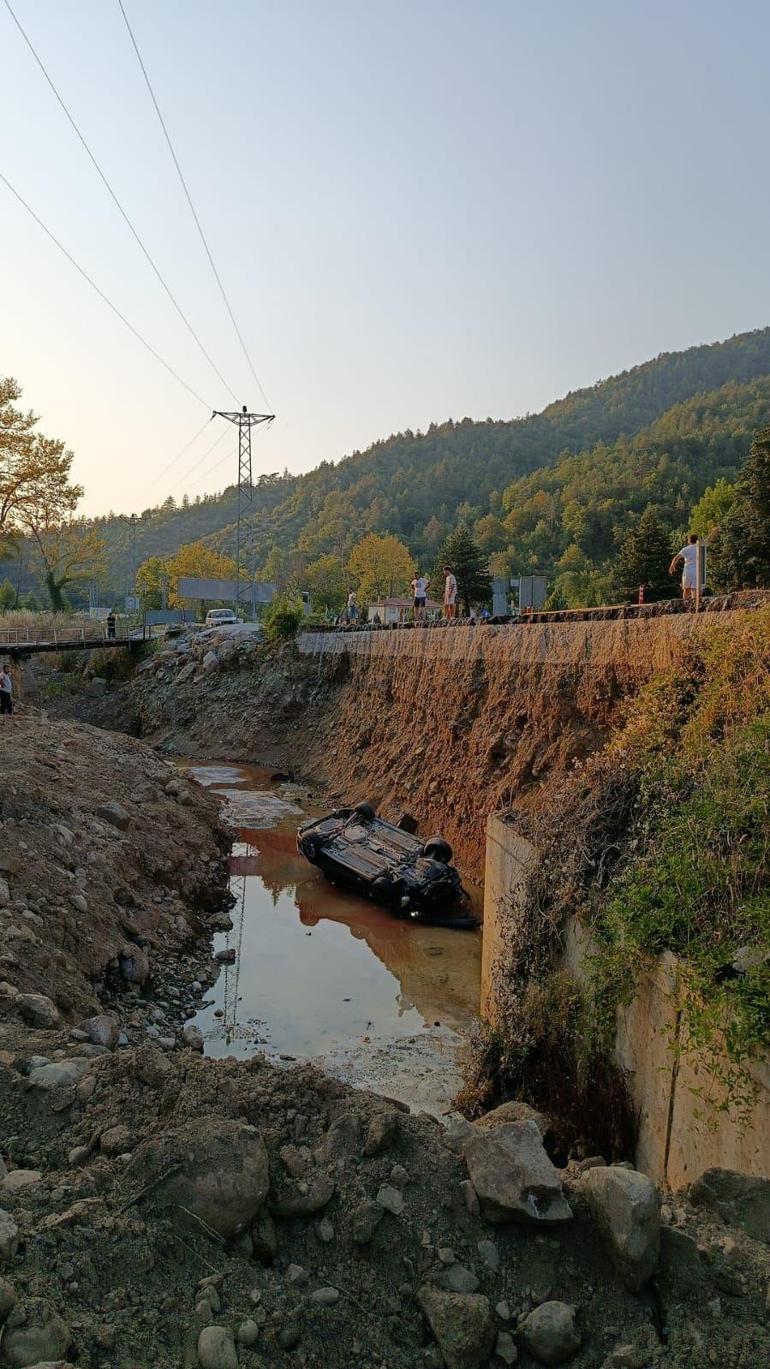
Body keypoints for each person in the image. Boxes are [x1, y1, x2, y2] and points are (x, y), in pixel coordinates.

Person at [669, 533, 699, 602]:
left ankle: (685, 604)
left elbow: (676, 557)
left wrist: (672, 566)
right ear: (697, 540)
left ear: (689, 541)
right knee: (694, 589)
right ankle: (695, 604)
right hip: (697, 571)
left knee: (686, 589)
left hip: (687, 571)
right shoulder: (700, 547)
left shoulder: (686, 549)